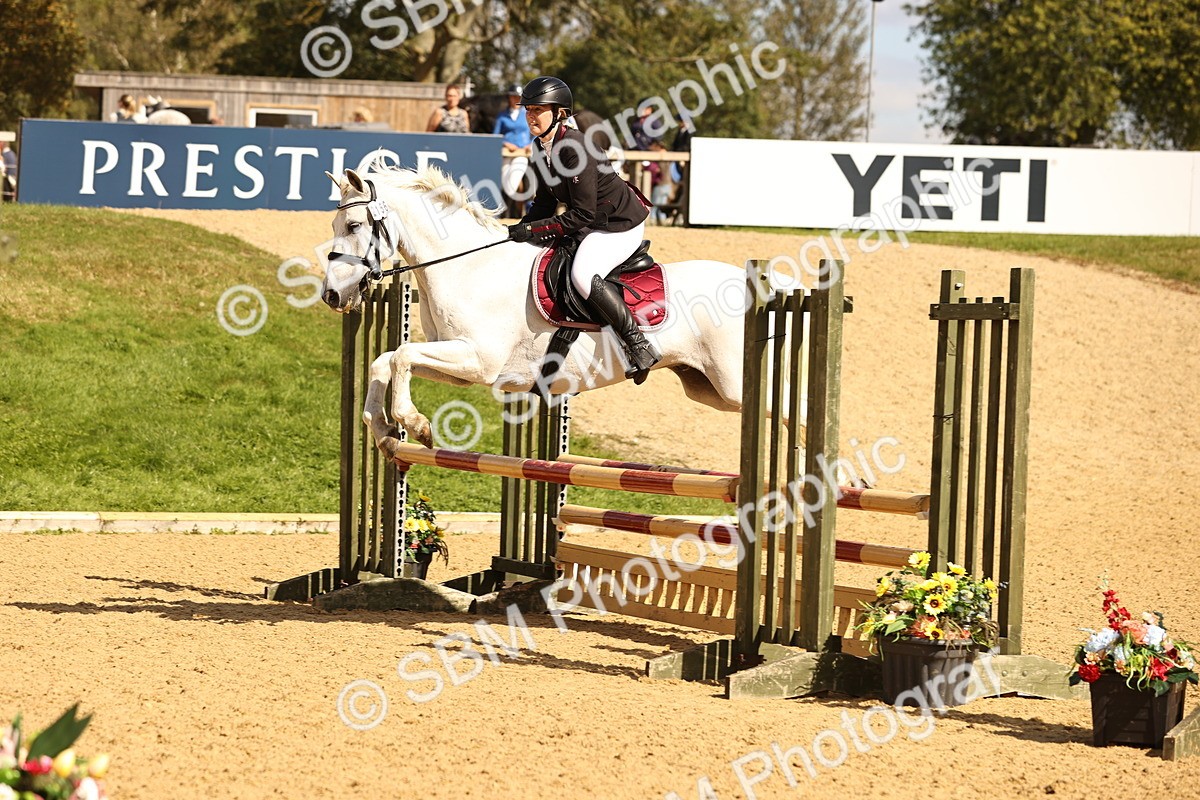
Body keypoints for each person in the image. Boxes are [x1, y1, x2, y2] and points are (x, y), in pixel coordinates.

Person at [507, 76, 660, 384]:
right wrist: (517, 232)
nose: (531, 116)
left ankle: (639, 345)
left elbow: (581, 214)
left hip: (618, 224)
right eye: (528, 110)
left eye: (538, 109)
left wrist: (536, 230)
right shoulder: (540, 147)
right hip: (591, 222)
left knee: (582, 273)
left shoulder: (575, 146)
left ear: (559, 113)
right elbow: (544, 202)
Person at [493, 83, 533, 215]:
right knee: (504, 183)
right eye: (513, 97)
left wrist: (530, 144)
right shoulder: (502, 116)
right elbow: (496, 135)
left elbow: (534, 132)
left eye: (518, 97)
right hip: (507, 153)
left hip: (523, 153)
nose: (516, 99)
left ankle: (522, 207)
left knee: (512, 184)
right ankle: (505, 212)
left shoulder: (527, 114)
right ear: (509, 98)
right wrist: (505, 143)